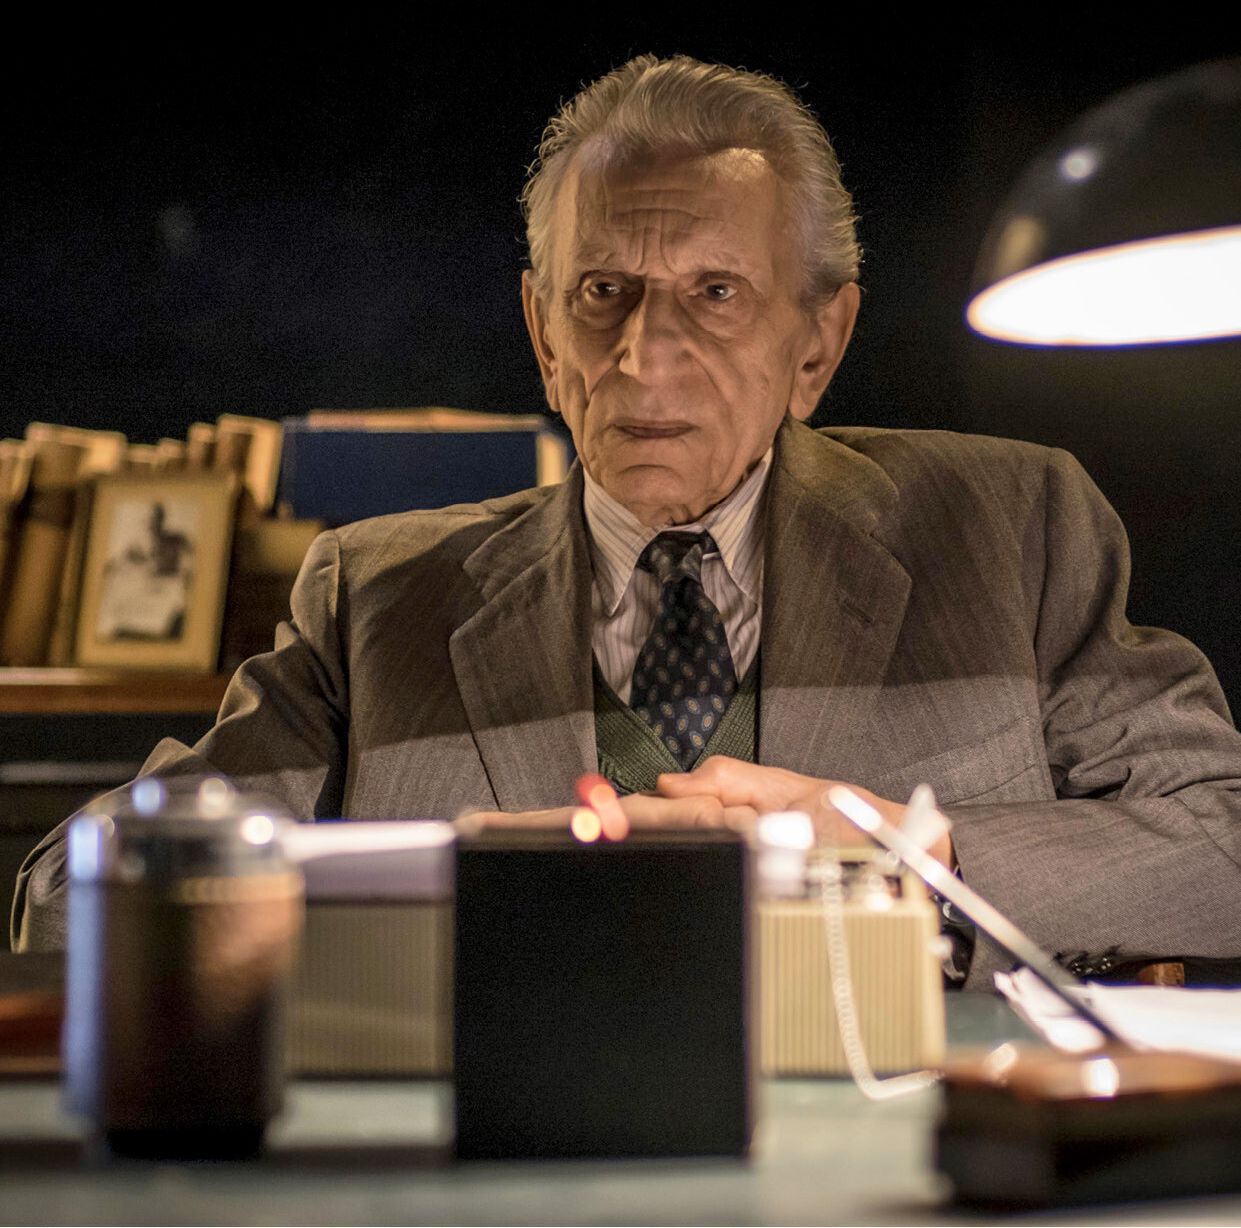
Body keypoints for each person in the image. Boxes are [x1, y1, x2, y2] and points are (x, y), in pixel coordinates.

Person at [14, 55, 1241, 989]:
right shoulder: (374, 596)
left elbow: (1222, 845)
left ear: (817, 343)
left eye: (715, 293)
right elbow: (68, 897)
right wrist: (432, 892)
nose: (645, 354)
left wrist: (909, 854)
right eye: (602, 292)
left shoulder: (1011, 528)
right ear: (544, 333)